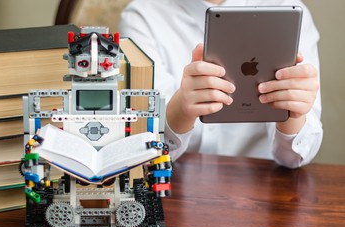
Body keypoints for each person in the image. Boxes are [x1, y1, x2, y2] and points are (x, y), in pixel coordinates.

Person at [119, 0, 323, 169]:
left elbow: (296, 157)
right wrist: (180, 110)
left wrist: (291, 113)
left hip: (266, 188)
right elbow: (146, 155)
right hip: (178, 188)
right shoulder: (143, 16)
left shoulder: (288, 11)